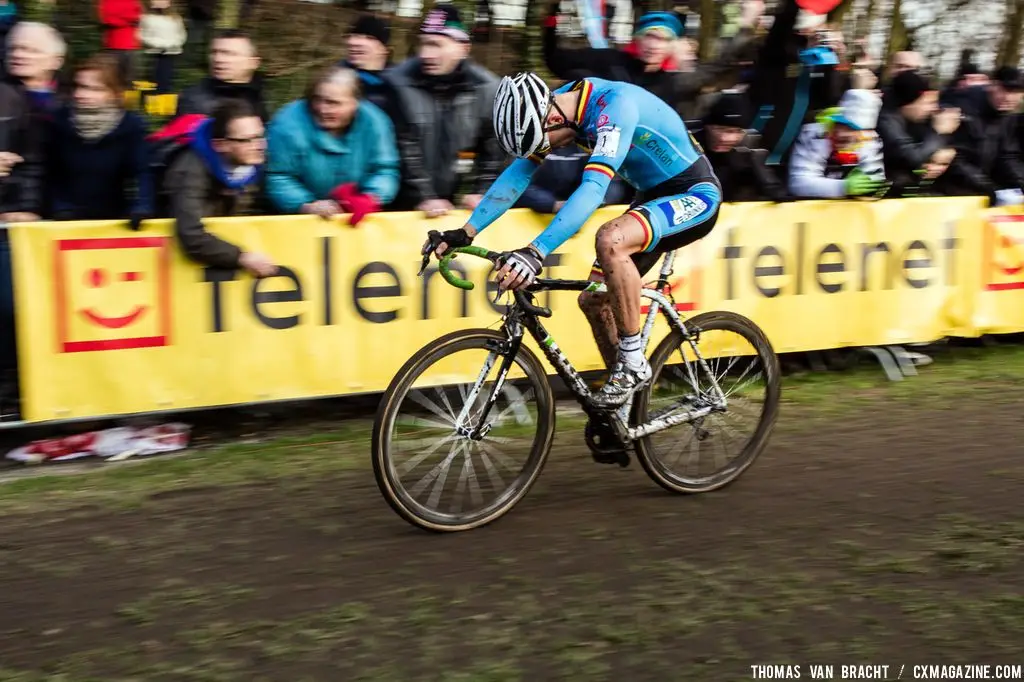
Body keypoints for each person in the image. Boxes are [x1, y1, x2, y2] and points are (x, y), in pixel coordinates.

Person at [422, 74, 722, 408]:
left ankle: (633, 362)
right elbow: (519, 173)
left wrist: (536, 252)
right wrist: (467, 231)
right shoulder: (555, 107)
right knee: (594, 301)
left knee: (610, 239)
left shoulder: (613, 108)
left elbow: (593, 190)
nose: (546, 150)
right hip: (651, 197)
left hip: (694, 193)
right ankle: (625, 408)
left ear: (552, 118)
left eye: (543, 142)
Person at [265, 66, 399, 222]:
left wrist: (371, 198)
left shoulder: (376, 123)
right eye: (317, 99)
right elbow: (278, 175)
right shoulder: (286, 124)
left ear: (355, 104)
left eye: (333, 103)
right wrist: (306, 204)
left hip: (356, 218)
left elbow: (385, 169)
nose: (322, 109)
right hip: (299, 219)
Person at [164, 98, 274, 276]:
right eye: (246, 140)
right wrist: (241, 257)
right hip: (174, 266)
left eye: (260, 136)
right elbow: (191, 235)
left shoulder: (255, 160)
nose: (260, 146)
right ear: (220, 145)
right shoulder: (190, 171)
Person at [45, 53, 153, 223]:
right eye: (79, 86)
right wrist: (60, 207)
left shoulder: (131, 125)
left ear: (114, 92)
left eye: (94, 89)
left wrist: (141, 207)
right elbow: (51, 173)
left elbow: (142, 172)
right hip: (64, 220)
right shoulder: (60, 121)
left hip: (114, 219)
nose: (81, 94)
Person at [176, 28, 266, 120]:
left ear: (254, 63)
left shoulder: (263, 93)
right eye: (214, 52)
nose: (218, 59)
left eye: (229, 54)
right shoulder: (195, 101)